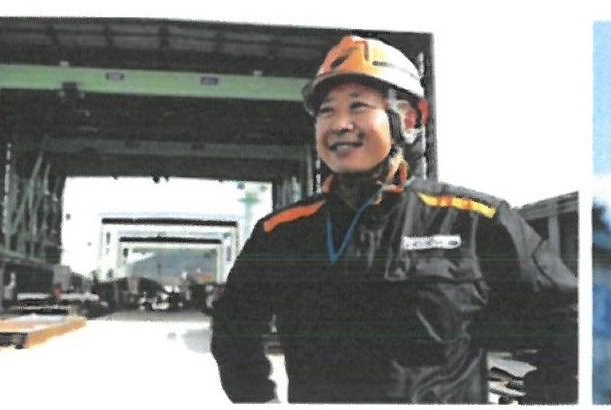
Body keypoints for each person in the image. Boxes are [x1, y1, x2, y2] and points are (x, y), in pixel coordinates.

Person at [208, 35, 577, 404]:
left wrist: (545, 398)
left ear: (409, 120)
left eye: (358, 107)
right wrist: (258, 399)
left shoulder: (474, 222)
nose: (340, 124)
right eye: (327, 111)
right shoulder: (282, 234)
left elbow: (574, 319)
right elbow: (234, 326)